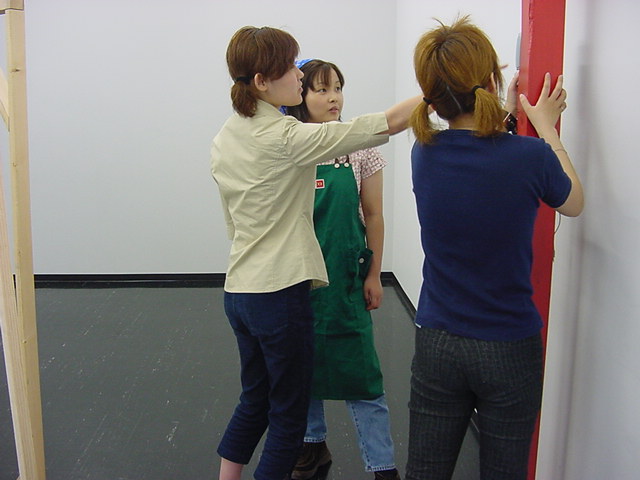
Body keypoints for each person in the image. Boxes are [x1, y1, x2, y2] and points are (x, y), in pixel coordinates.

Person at [211, 26, 420, 480]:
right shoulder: (286, 136)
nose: (299, 76)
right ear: (262, 81)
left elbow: (232, 223)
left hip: (239, 290)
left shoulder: (227, 134)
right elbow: (383, 124)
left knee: (255, 399)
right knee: (288, 416)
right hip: (279, 293)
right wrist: (439, 87)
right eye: (291, 68)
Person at [405, 17, 584, 480]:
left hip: (438, 341)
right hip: (508, 347)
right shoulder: (530, 156)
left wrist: (504, 111)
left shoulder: (423, 153)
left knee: (425, 470)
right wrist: (546, 128)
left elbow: (478, 153)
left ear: (433, 96)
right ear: (489, 81)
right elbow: (573, 203)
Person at [286, 59, 400, 480]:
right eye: (321, 89)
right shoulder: (289, 147)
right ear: (301, 96)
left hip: (347, 280)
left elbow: (374, 215)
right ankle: (311, 446)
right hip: (298, 279)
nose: (334, 97)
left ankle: (383, 466)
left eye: (337, 87)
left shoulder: (359, 148)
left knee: (364, 376)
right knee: (302, 370)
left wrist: (374, 274)